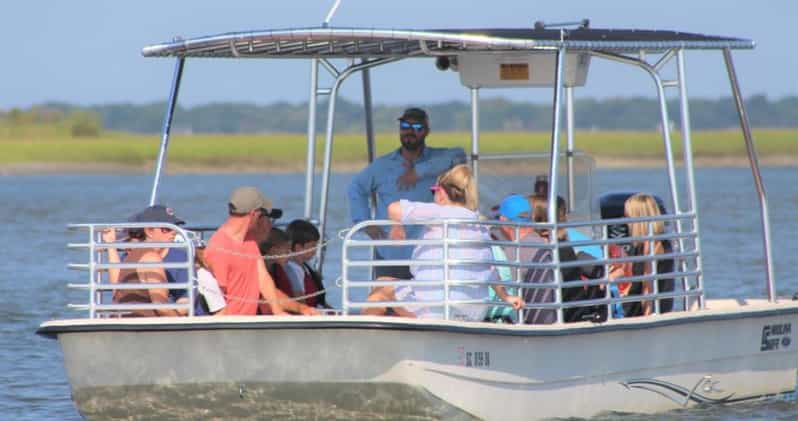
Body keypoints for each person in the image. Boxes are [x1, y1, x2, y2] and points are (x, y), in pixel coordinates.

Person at [363, 164, 494, 321]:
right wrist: (506, 297)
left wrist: (397, 227)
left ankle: (363, 339)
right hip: (474, 310)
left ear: (441, 193)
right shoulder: (479, 223)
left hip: (435, 308)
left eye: (433, 191)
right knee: (387, 284)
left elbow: (394, 208)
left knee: (379, 292)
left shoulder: (438, 212)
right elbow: (491, 268)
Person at [348, 107, 466, 280]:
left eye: (417, 127)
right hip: (390, 252)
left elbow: (460, 155)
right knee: (386, 302)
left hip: (428, 252)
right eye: (405, 126)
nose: (410, 131)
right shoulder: (382, 165)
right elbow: (356, 188)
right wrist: (365, 222)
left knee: (425, 304)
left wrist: (419, 172)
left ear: (426, 131)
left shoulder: (438, 158)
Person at [203, 186, 318, 316]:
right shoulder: (219, 246)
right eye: (264, 216)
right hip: (233, 324)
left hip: (250, 323)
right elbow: (218, 298)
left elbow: (263, 278)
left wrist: (277, 311)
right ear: (255, 215)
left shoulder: (249, 240)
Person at [111, 206, 188, 317]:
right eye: (166, 229)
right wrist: (182, 324)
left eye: (175, 228)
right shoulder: (151, 258)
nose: (173, 233)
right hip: (141, 325)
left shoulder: (134, 254)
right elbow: (161, 307)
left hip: (129, 322)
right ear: (149, 231)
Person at [616, 193, 675, 317]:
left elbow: (648, 288)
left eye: (628, 217)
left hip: (640, 310)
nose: (627, 223)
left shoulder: (651, 246)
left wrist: (647, 317)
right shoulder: (649, 243)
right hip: (638, 304)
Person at [484, 194, 540, 322]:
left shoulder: (508, 255)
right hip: (547, 314)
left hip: (524, 319)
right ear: (531, 218)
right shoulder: (546, 244)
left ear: (503, 220)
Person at [285, 219, 331, 309]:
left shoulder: (305, 266)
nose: (316, 249)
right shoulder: (293, 269)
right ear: (298, 247)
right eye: (313, 246)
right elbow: (300, 302)